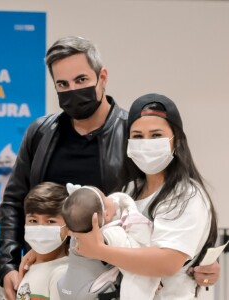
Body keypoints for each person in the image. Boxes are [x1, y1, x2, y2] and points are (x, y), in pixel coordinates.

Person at [0, 36, 220, 300]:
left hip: (111, 279)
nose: (73, 90)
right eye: (62, 84)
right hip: (45, 269)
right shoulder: (40, 133)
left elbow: (165, 204)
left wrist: (200, 257)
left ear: (102, 77)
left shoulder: (134, 133)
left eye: (81, 80)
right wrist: (7, 265)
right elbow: (14, 202)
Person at [73, 93, 218, 299]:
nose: (146, 142)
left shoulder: (186, 194)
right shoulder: (128, 191)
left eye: (156, 135)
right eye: (138, 136)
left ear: (175, 141)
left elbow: (167, 262)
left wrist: (99, 251)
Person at [58, 183, 159, 300]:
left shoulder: (77, 234)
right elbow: (135, 265)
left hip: (69, 288)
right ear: (106, 214)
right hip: (92, 293)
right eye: (105, 198)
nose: (112, 198)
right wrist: (151, 281)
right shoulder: (111, 234)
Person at [16, 182, 69, 300]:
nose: (40, 228)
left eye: (50, 221)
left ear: (69, 226)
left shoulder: (62, 274)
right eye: (33, 221)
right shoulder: (28, 266)